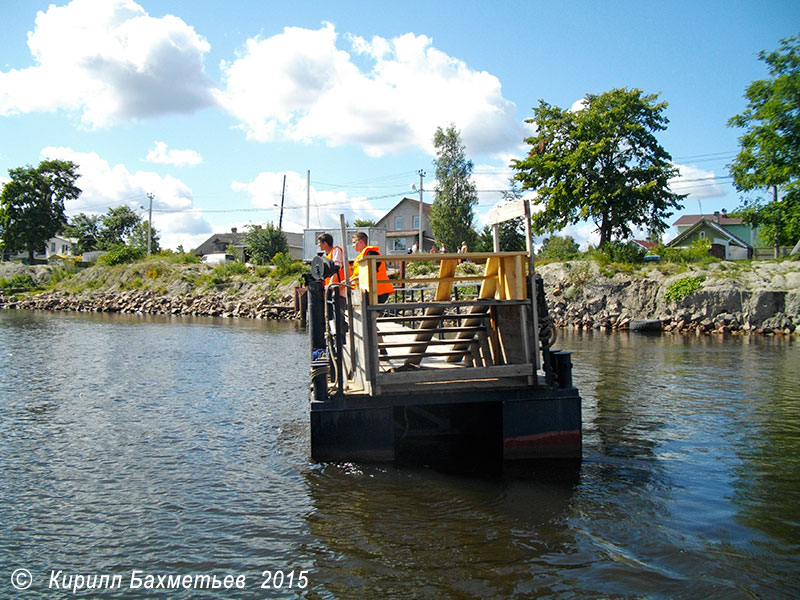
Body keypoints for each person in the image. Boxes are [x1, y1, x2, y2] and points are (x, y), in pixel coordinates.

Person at [350, 231, 394, 303]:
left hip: (379, 290)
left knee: (372, 313)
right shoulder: (361, 256)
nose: (353, 245)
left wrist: (355, 278)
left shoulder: (371, 253)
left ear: (361, 242)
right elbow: (358, 273)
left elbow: (372, 270)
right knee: (367, 313)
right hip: (369, 290)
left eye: (354, 242)